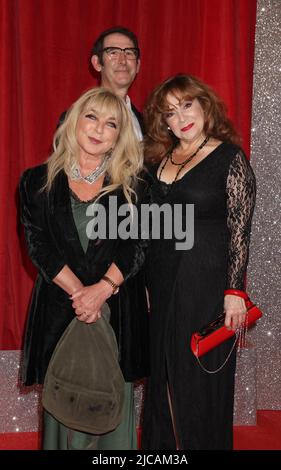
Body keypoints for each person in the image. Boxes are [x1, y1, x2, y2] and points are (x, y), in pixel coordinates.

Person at [19, 87, 149, 450]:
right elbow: (38, 246)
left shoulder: (136, 185)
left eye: (111, 123)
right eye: (91, 116)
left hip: (116, 314)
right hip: (61, 311)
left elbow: (138, 246)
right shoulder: (36, 181)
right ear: (75, 121)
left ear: (118, 136)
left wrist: (101, 290)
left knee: (110, 416)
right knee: (64, 411)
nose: (98, 129)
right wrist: (81, 295)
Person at [141, 74, 256, 450]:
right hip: (160, 282)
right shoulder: (157, 159)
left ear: (205, 105)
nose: (181, 118)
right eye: (170, 112)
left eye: (187, 105)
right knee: (162, 377)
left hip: (205, 284)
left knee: (196, 380)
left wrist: (235, 290)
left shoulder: (229, 157)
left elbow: (240, 230)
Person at [59, 26, 143, 139]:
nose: (122, 60)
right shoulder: (76, 118)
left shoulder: (145, 124)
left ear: (137, 65)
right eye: (113, 52)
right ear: (97, 63)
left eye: (129, 53)